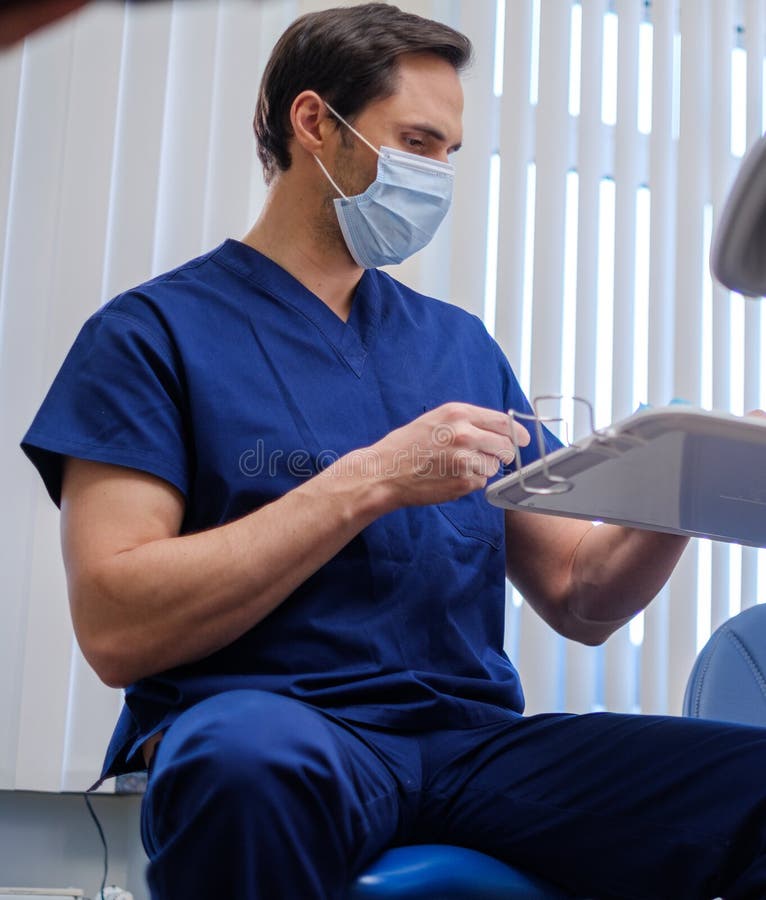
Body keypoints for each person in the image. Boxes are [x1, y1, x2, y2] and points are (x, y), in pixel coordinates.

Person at [21, 4, 766, 898]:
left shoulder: (457, 346)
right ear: (313, 124)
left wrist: (682, 484)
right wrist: (369, 480)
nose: (437, 174)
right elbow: (115, 625)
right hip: (288, 731)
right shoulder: (152, 336)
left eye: (450, 151)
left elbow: (580, 595)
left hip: (469, 746)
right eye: (416, 141)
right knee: (244, 763)